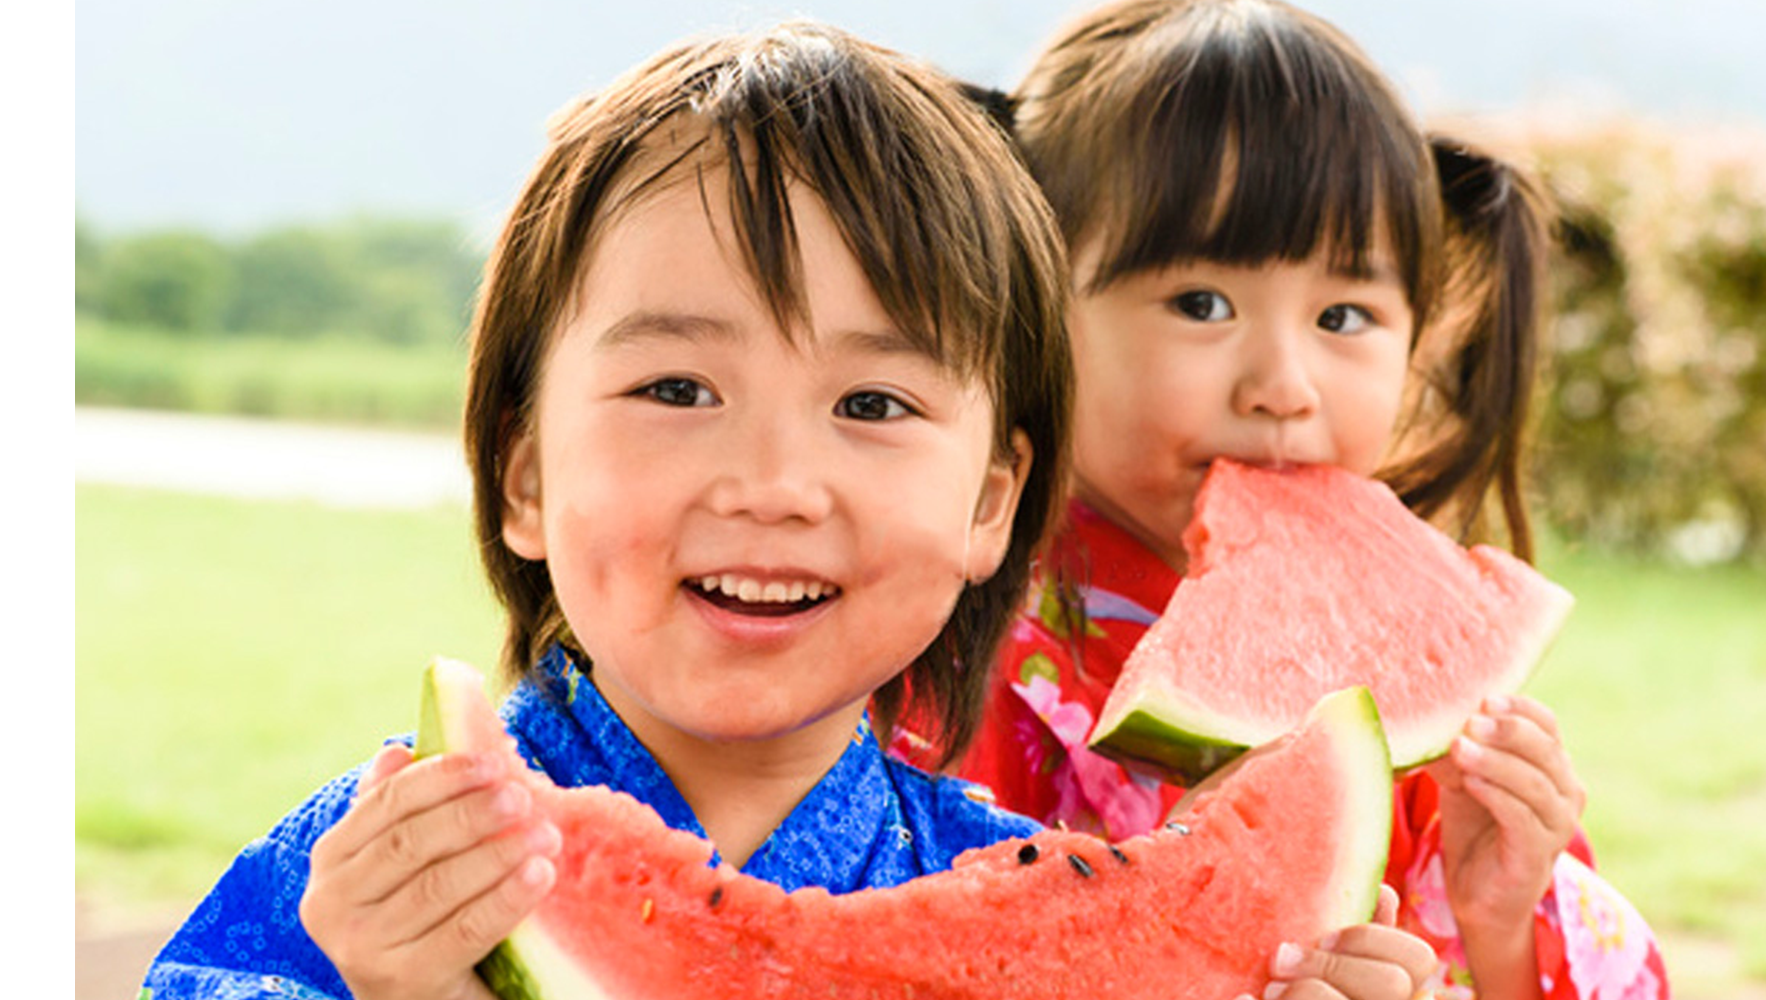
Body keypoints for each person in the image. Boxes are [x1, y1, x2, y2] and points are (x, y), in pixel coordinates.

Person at [141, 20, 1434, 1000]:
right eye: (677, 385)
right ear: (525, 471)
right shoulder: (384, 868)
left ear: (994, 504)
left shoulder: (1030, 888)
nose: (772, 484)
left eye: (871, 406)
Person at [924, 2, 1672, 998]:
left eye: (1342, 315)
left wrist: (1501, 919)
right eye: (1200, 303)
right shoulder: (946, 646)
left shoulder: (1415, 694)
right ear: (1038, 306)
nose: (1282, 382)